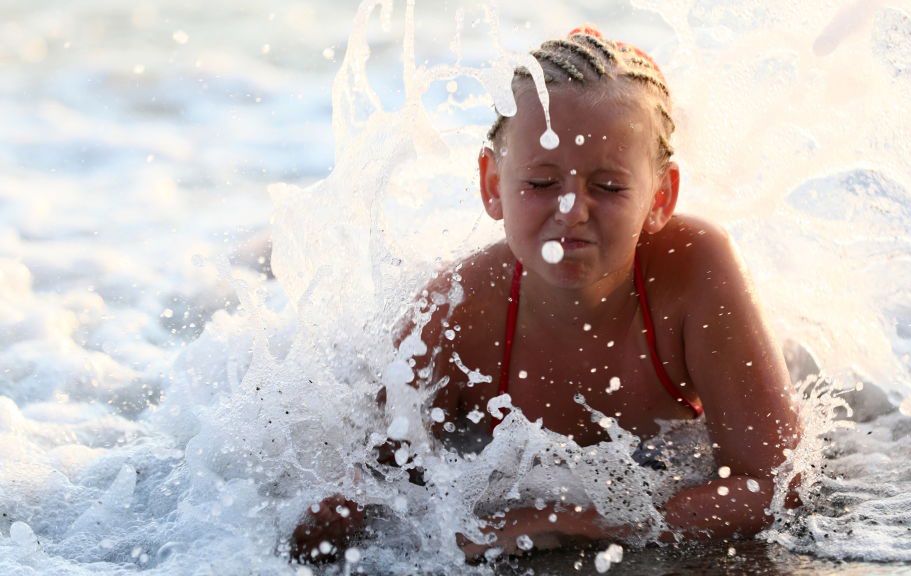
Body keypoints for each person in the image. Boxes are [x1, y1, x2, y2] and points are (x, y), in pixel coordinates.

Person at [292, 26, 800, 563]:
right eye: (540, 183)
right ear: (493, 183)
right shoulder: (456, 311)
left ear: (661, 195)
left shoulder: (692, 271)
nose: (571, 211)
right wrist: (334, 511)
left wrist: (592, 523)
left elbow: (777, 483)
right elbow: (375, 471)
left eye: (607, 187)